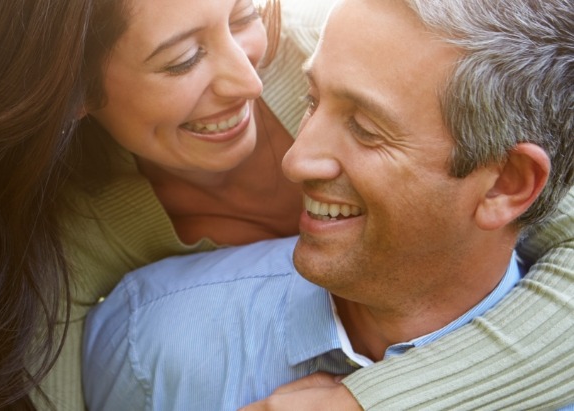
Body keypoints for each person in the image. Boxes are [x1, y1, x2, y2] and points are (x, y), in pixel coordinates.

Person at [0, 0, 574, 409]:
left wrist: (376, 402)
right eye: (180, 60)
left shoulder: (368, 73)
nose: (246, 77)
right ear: (73, 92)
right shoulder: (76, 235)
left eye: (239, 15)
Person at [82, 0, 574, 409]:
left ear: (505, 184)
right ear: (77, 94)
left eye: (365, 128)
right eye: (311, 100)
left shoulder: (318, 42)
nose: (294, 160)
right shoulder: (146, 340)